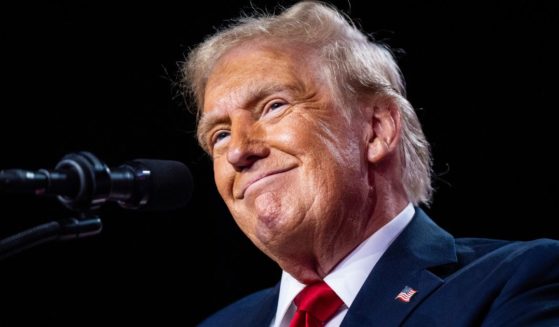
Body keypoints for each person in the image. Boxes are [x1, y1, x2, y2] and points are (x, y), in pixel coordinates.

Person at [182, 1, 559, 326]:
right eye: (220, 135)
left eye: (274, 107)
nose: (238, 151)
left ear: (377, 129)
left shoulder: (515, 280)